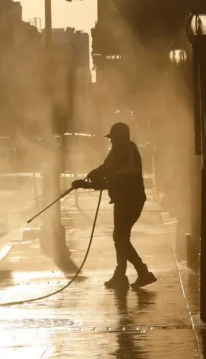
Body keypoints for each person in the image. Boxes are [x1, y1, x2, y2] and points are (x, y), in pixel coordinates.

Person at [72, 122, 157, 290]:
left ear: (119, 137)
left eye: (113, 138)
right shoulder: (127, 149)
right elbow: (110, 176)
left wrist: (89, 179)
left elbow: (108, 171)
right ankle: (124, 274)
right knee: (121, 237)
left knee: (120, 237)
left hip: (128, 200)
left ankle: (139, 272)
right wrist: (89, 182)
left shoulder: (122, 149)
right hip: (129, 199)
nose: (111, 142)